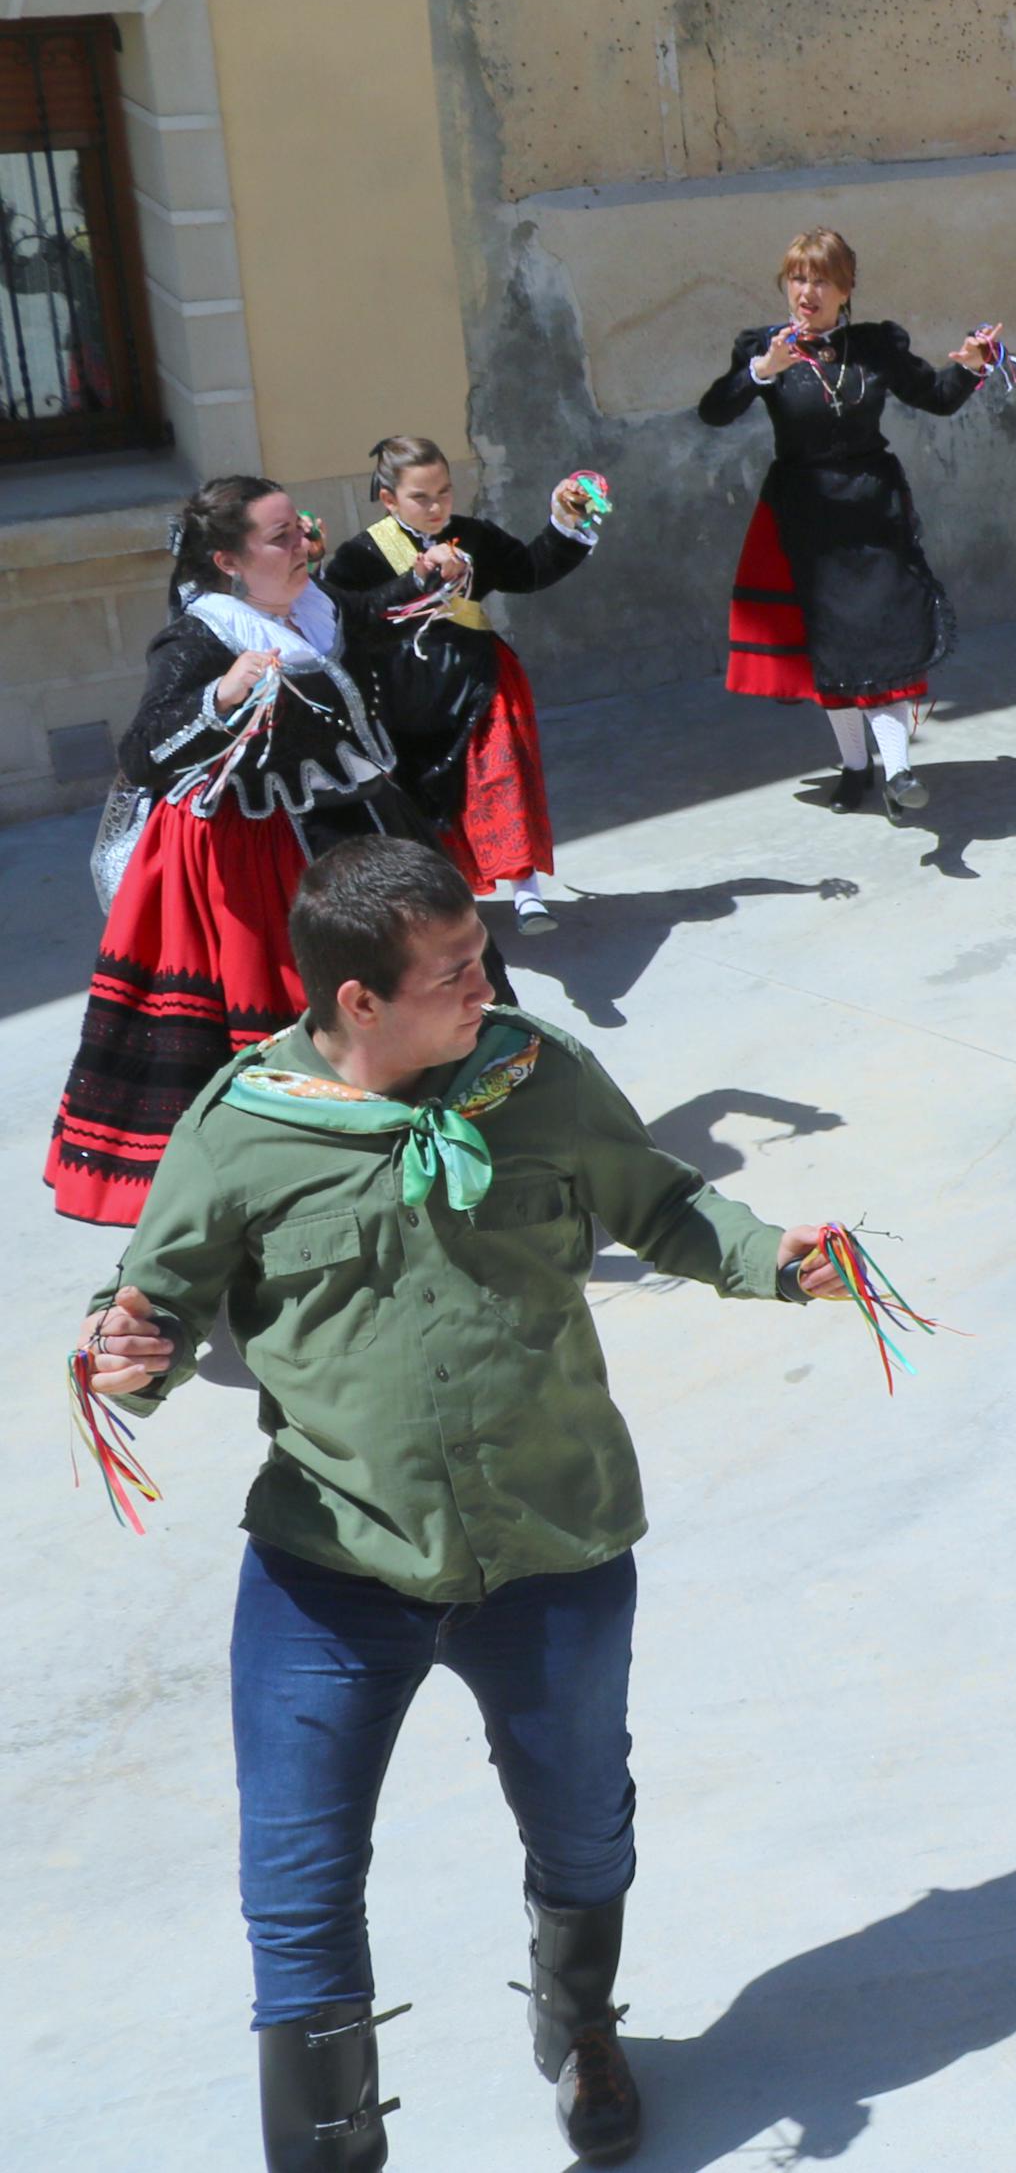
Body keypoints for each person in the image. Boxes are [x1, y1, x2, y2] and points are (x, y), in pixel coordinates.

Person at [72, 833, 865, 2172]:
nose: (483, 984)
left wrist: (774, 1261)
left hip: (551, 1538)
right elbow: (150, 1304)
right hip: (331, 1564)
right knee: (298, 1885)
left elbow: (660, 1201)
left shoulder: (537, 1075)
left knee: (581, 1820)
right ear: (356, 1002)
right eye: (449, 971)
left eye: (481, 953)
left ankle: (582, 2025)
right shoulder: (243, 1128)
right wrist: (120, 1354)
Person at [48, 479, 419, 1227]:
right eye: (280, 538)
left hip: (341, 829)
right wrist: (219, 696)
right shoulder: (202, 636)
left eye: (300, 531)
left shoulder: (312, 604)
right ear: (227, 560)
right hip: (244, 861)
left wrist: (424, 580)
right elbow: (145, 751)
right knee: (269, 1033)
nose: (303, 548)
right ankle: (265, 1205)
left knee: (415, 981)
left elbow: (370, 619)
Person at [699, 228, 998, 815]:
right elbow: (714, 411)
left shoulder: (876, 346)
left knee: (882, 640)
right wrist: (762, 370)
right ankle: (857, 768)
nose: (806, 292)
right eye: (797, 278)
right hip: (805, 514)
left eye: (820, 280)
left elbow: (936, 395)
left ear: (845, 288)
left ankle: (899, 774)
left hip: (874, 507)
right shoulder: (766, 345)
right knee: (830, 651)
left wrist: (970, 368)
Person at [319, 437, 601, 933]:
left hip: (479, 678)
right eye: (421, 498)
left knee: (502, 775)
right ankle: (441, 905)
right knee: (424, 798)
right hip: (405, 693)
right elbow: (338, 614)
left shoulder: (474, 535)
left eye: (444, 493)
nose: (436, 507)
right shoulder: (361, 555)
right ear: (389, 500)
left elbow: (530, 570)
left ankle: (526, 891)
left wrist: (564, 523)